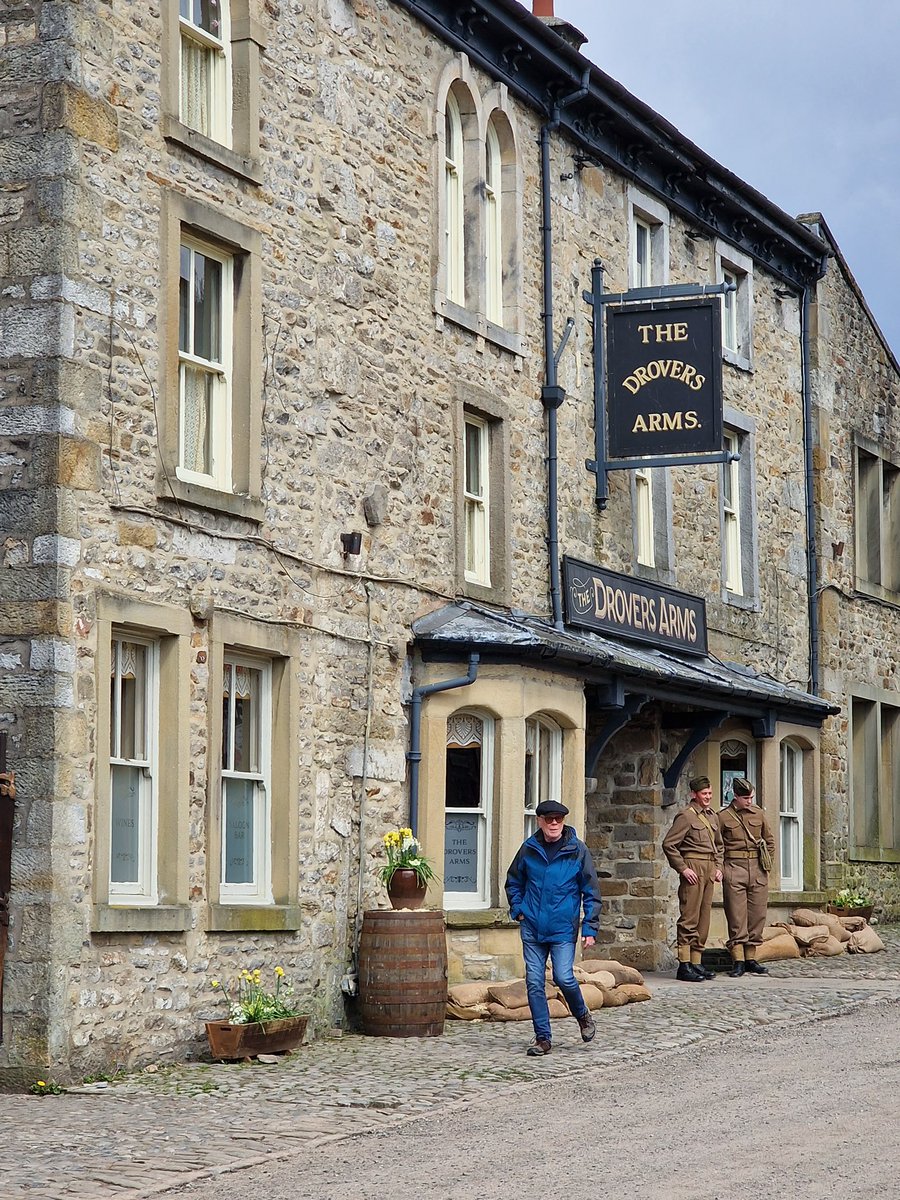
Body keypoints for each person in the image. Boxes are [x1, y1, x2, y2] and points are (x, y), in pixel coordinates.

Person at [505, 799, 601, 1056]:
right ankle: (543, 1038)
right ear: (539, 821)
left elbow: (591, 891)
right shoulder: (529, 849)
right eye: (549, 819)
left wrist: (590, 927)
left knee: (563, 976)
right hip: (532, 926)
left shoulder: (577, 850)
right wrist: (518, 910)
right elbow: (513, 882)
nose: (554, 824)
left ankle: (582, 1015)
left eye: (558, 819)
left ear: (564, 821)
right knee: (534, 981)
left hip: (562, 928)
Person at [662, 775, 723, 982]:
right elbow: (669, 844)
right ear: (694, 795)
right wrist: (683, 868)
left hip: (709, 868)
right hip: (693, 866)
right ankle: (684, 964)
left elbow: (720, 846)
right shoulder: (686, 816)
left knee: (704, 917)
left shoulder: (712, 816)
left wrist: (718, 867)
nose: (708, 797)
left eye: (710, 794)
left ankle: (697, 962)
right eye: (704, 794)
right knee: (689, 916)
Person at [718, 776, 775, 976]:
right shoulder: (723, 817)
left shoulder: (759, 814)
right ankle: (738, 960)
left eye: (751, 797)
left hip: (757, 869)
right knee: (736, 916)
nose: (749, 801)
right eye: (745, 798)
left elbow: (769, 841)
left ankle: (751, 958)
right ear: (736, 797)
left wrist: (767, 865)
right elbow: (718, 846)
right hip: (734, 868)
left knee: (757, 915)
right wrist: (723, 870)